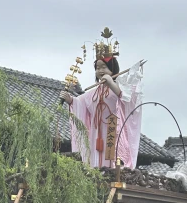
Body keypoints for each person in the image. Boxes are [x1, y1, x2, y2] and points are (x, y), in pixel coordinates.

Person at [59, 29, 143, 169]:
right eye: (98, 68)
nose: (100, 71)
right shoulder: (93, 93)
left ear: (112, 68)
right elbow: (79, 102)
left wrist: (111, 83)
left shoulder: (120, 87)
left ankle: (114, 171)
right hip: (96, 132)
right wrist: (70, 100)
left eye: (104, 67)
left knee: (112, 154)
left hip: (113, 128)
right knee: (96, 155)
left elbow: (128, 100)